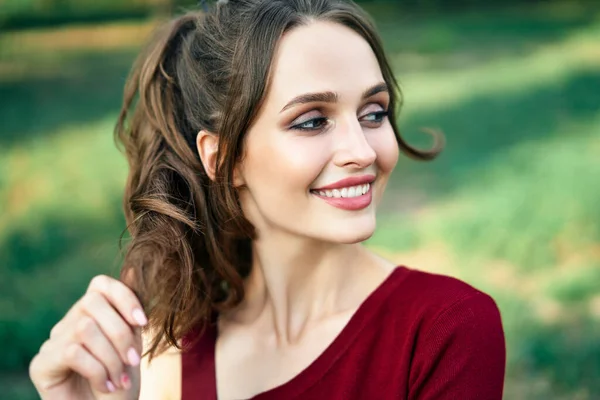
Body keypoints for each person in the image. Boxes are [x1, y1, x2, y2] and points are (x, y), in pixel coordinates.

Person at [29, 0, 506, 398]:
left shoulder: (446, 331)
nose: (362, 151)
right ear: (224, 158)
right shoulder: (168, 349)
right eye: (313, 120)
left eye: (373, 112)